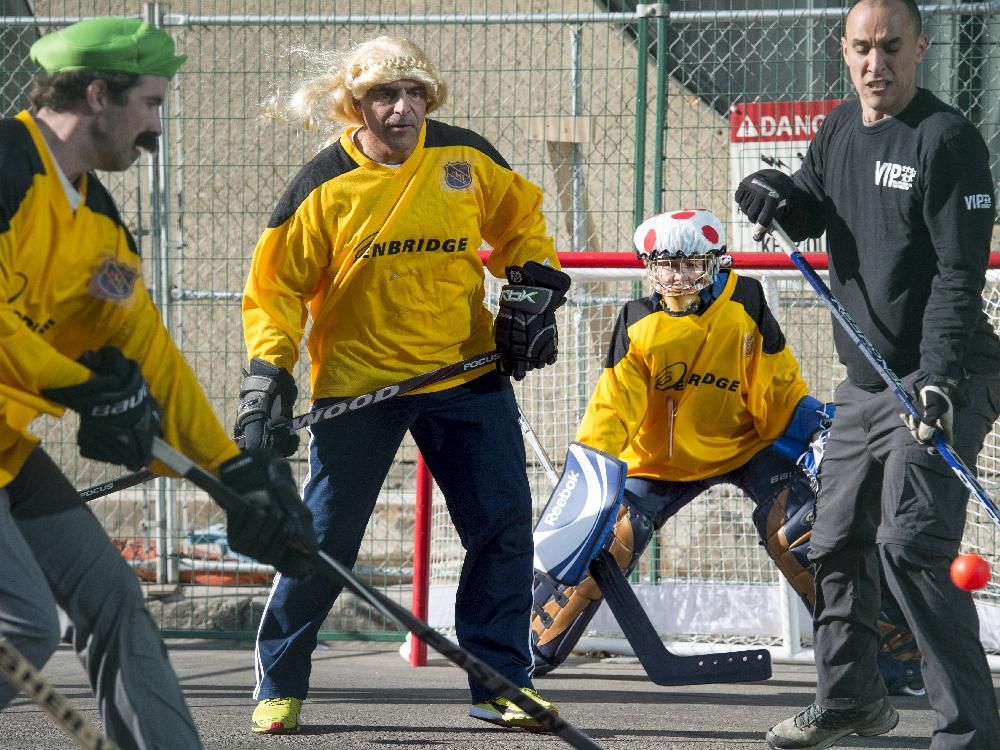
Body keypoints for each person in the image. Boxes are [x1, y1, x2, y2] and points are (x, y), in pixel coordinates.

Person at [238, 35, 571, 735]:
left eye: (414, 93)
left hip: (465, 371)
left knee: (503, 526)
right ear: (354, 106)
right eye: (385, 96)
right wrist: (267, 378)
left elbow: (522, 225)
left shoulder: (465, 157)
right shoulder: (320, 186)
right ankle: (279, 682)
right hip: (360, 385)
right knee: (324, 539)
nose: (402, 109)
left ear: (431, 99)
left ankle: (501, 683)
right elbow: (274, 293)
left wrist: (533, 287)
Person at [0, 18, 316, 750]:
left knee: (113, 598)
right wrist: (80, 386)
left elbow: (149, 357)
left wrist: (234, 473)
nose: (157, 129)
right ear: (99, 94)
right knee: (23, 625)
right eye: (150, 104)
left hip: (7, 448)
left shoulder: (98, 223)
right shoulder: (6, 167)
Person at [735, 0, 1000, 747]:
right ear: (842, 51)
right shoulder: (838, 128)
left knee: (911, 547)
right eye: (861, 49)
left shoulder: (947, 141)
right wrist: (776, 193)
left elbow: (958, 274)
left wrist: (941, 379)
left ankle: (970, 733)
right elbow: (813, 204)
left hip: (939, 372)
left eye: (890, 47)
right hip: (863, 381)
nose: (874, 64)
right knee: (835, 538)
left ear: (920, 49)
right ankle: (851, 701)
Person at [529, 208, 924, 700]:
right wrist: (592, 473)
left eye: (691, 265)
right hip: (660, 461)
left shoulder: (747, 302)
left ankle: (894, 655)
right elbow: (613, 408)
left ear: (717, 263)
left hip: (745, 445)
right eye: (663, 265)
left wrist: (808, 435)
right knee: (608, 536)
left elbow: (776, 384)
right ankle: (525, 649)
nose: (677, 278)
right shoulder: (637, 323)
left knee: (803, 527)